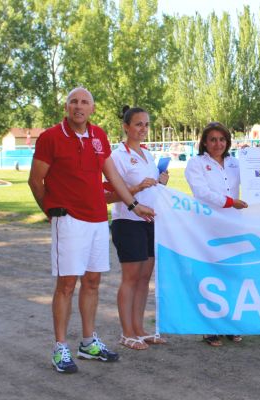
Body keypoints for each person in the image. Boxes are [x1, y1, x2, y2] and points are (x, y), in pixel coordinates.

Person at [28, 87, 155, 374]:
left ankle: (88, 342)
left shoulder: (99, 136)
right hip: (68, 220)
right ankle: (61, 346)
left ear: (92, 108)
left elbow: (113, 176)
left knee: (93, 282)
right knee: (66, 285)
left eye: (84, 102)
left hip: (98, 219)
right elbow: (35, 181)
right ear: (66, 107)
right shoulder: (51, 137)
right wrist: (51, 212)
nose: (79, 106)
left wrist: (134, 205)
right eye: (73, 101)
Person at [105, 106, 169, 350]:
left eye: (146, 124)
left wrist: (160, 182)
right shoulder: (117, 156)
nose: (143, 129)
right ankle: (126, 332)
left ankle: (140, 329)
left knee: (144, 279)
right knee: (130, 279)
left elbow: (152, 188)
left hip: (151, 222)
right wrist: (136, 189)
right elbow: (109, 196)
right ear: (126, 127)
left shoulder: (147, 155)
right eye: (138, 124)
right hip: (128, 222)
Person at [185, 121, 247, 347]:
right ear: (204, 142)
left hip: (234, 227)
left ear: (227, 142)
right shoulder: (196, 163)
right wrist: (230, 202)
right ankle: (208, 326)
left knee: (232, 276)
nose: (217, 144)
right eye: (212, 139)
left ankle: (229, 324)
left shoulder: (236, 163)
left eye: (222, 139)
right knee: (208, 276)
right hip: (207, 228)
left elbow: (257, 176)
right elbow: (201, 192)